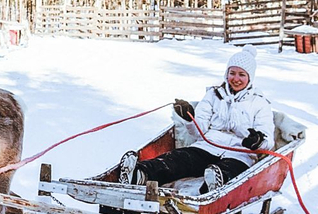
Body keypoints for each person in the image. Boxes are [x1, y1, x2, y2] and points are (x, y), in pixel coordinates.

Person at [118, 44, 275, 194]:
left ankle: (214, 184)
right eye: (232, 73)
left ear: (250, 78)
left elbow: (268, 140)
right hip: (208, 146)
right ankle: (140, 174)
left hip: (239, 153)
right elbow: (198, 131)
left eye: (242, 75)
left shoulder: (260, 103)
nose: (236, 79)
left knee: (230, 170)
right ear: (226, 73)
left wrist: (257, 141)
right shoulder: (213, 95)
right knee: (178, 159)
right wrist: (189, 119)